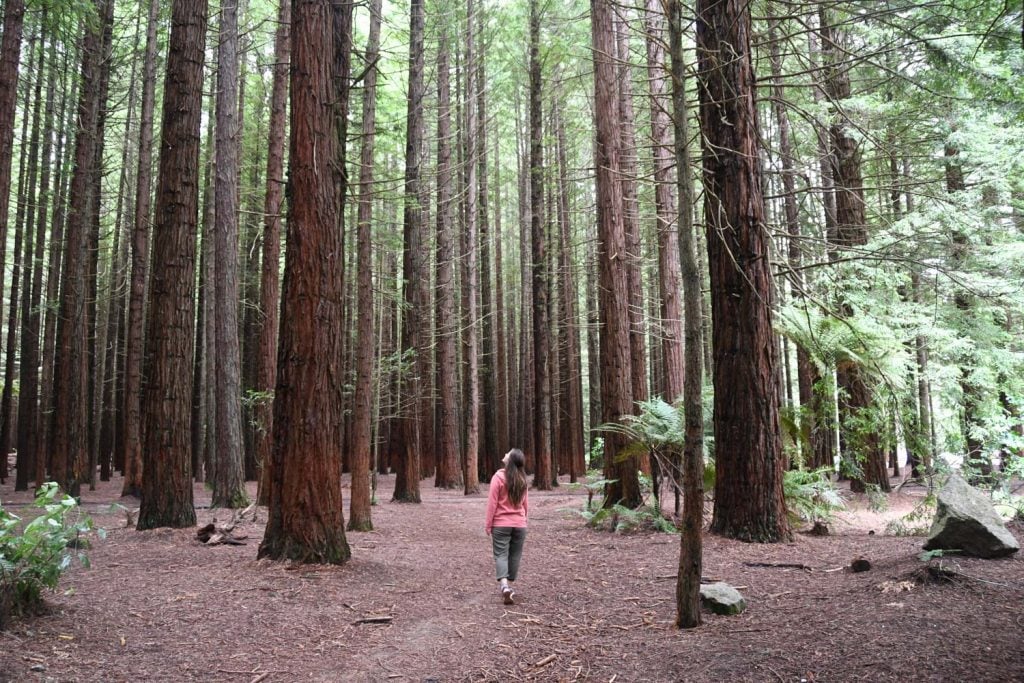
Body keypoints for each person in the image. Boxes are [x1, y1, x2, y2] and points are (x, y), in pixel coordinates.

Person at [484, 448, 529, 605]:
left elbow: (492, 503)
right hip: (520, 524)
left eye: (507, 454)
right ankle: (509, 581)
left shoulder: (498, 477)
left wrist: (488, 524)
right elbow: (525, 504)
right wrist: (523, 520)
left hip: (501, 524)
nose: (504, 455)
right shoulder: (522, 478)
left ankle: (504, 586)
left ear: (510, 460)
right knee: (514, 555)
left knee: (501, 554)